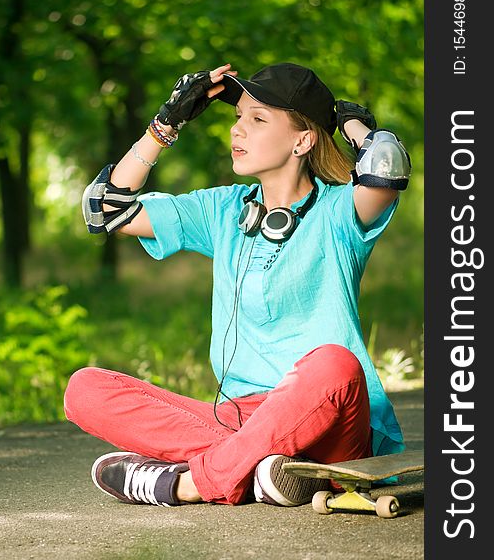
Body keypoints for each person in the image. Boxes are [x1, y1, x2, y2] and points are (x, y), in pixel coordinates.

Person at [65, 61, 412, 507]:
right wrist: (162, 127)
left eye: (258, 119)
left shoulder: (340, 213)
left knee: (335, 364)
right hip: (241, 418)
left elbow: (387, 169)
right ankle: (269, 471)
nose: (237, 131)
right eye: (237, 118)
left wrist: (358, 129)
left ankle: (187, 483)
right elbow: (104, 209)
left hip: (328, 418)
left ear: (303, 140)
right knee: (86, 389)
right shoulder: (223, 209)